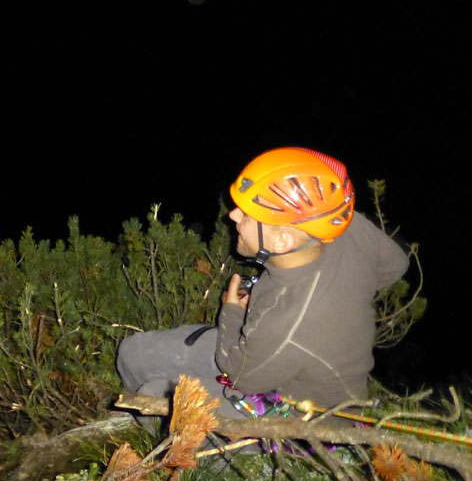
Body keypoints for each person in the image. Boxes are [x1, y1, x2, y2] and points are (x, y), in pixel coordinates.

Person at [116, 147, 409, 417]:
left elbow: (241, 375)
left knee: (154, 397)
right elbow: (396, 265)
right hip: (277, 350)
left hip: (305, 412)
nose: (232, 215)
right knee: (134, 353)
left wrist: (232, 312)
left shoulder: (289, 323)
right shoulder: (339, 224)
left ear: (283, 240)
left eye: (248, 215)